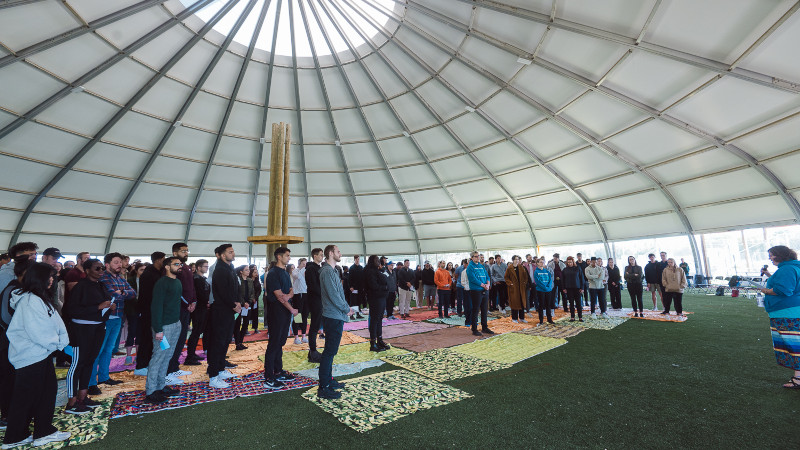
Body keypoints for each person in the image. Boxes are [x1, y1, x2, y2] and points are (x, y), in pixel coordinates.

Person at [3, 262, 71, 448]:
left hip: (38, 354)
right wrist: (57, 344)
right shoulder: (30, 300)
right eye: (48, 276)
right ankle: (19, 436)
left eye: (53, 276)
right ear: (37, 278)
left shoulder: (36, 298)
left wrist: (59, 342)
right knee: (28, 397)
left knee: (42, 394)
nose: (51, 280)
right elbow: (39, 331)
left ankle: (37, 432)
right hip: (32, 355)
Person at [64, 259, 113, 415]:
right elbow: (71, 310)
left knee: (90, 361)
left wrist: (109, 307)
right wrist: (97, 307)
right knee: (78, 363)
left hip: (98, 327)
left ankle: (83, 397)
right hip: (81, 330)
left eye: (103, 268)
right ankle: (71, 403)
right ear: (86, 270)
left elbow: (104, 305)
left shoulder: (101, 285)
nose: (101, 271)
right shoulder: (80, 287)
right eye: (97, 268)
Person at [89, 252, 135, 394]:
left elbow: (133, 293)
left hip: (118, 317)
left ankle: (103, 377)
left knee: (108, 350)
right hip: (105, 318)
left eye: (120, 262)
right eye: (116, 262)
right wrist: (122, 292)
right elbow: (110, 294)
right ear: (107, 264)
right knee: (98, 350)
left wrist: (121, 292)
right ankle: (91, 382)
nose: (119, 265)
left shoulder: (121, 278)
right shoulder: (103, 278)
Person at [758, 245, 800, 388]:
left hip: (787, 314)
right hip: (792, 312)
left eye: (772, 255)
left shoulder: (787, 269)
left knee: (794, 346)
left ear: (780, 255)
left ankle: (798, 378)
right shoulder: (793, 267)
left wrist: (766, 291)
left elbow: (784, 290)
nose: (770, 258)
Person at [144, 257, 184, 404]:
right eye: (176, 264)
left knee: (167, 356)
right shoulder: (162, 283)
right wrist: (158, 329)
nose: (180, 266)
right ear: (167, 267)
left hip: (175, 324)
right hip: (164, 327)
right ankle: (151, 391)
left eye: (181, 264)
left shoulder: (177, 282)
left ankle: (160, 386)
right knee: (158, 357)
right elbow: (156, 306)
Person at [0, 257, 33, 428]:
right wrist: (20, 334)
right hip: (9, 342)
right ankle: (6, 415)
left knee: (18, 379)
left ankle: (19, 410)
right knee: (8, 379)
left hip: (19, 343)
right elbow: (5, 318)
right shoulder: (12, 289)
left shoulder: (25, 289)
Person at [318, 245, 351, 399]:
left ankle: (328, 381)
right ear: (331, 253)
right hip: (333, 316)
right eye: (338, 251)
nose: (340, 253)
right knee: (329, 352)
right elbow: (333, 295)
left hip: (335, 315)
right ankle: (323, 387)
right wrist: (346, 308)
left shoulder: (332, 271)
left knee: (331, 351)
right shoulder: (326, 272)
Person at [263, 247, 297, 390]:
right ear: (279, 256)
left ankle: (278, 371)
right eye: (287, 256)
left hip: (284, 312)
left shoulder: (284, 272)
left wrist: (288, 296)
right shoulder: (272, 274)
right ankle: (269, 377)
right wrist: (292, 309)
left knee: (280, 343)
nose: (289, 258)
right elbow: (278, 296)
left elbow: (291, 291)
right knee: (274, 344)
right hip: (276, 312)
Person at [207, 244, 240, 389]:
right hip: (221, 310)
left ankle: (220, 369)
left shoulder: (229, 268)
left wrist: (238, 302)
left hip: (229, 310)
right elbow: (222, 292)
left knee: (225, 340)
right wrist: (234, 304)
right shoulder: (219, 269)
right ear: (221, 255)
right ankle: (213, 376)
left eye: (233, 251)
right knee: (218, 343)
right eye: (230, 252)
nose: (233, 254)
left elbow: (235, 288)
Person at [166, 243, 196, 386]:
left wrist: (194, 301)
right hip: (178, 308)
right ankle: (168, 370)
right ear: (174, 252)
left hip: (187, 308)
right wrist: (187, 303)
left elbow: (191, 287)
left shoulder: (187, 267)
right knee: (174, 340)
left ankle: (175, 366)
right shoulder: (173, 267)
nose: (186, 253)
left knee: (181, 337)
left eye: (186, 250)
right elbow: (177, 290)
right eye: (183, 251)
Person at [134, 252, 165, 376]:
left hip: (156, 310)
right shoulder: (148, 274)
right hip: (148, 311)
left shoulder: (158, 272)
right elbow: (148, 296)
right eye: (163, 260)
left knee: (154, 340)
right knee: (146, 338)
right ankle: (141, 366)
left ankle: (149, 364)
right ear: (157, 260)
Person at [185, 259, 210, 365]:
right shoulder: (196, 279)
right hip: (199, 308)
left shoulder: (202, 278)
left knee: (198, 331)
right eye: (205, 266)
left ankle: (192, 353)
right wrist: (206, 301)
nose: (207, 268)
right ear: (199, 267)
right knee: (196, 331)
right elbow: (199, 294)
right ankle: (190, 356)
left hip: (203, 307)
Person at [364, 255, 389, 352]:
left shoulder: (376, 270)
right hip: (375, 298)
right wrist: (384, 288)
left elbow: (384, 281)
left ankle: (379, 340)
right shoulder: (370, 271)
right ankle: (373, 343)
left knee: (379, 319)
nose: (379, 261)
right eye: (377, 260)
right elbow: (374, 286)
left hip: (380, 297)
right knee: (375, 320)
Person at [467, 251, 494, 336]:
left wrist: (488, 284)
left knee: (484, 309)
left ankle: (484, 327)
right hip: (476, 290)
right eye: (476, 256)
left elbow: (487, 276)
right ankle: (474, 329)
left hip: (485, 290)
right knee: (476, 310)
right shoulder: (470, 267)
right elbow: (473, 279)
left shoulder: (481, 266)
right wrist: (483, 285)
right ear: (472, 258)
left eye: (478, 256)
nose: (478, 257)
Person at [305, 248, 324, 363]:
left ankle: (312, 351)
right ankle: (313, 351)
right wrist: (323, 293)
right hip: (315, 300)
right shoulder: (311, 268)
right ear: (315, 256)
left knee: (316, 326)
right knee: (314, 327)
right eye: (321, 255)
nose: (322, 256)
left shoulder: (318, 268)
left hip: (319, 299)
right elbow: (313, 286)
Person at [234, 265, 253, 351]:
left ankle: (241, 342)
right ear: (241, 271)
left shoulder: (250, 280)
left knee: (245, 324)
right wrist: (243, 302)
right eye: (246, 270)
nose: (248, 271)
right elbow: (238, 293)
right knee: (237, 325)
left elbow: (253, 292)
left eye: (248, 270)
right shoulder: (238, 280)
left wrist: (248, 302)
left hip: (247, 306)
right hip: (239, 305)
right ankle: (237, 343)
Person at [504, 255, 528, 323]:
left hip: (521, 288)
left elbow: (525, 276)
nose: (517, 260)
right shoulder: (509, 268)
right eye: (516, 259)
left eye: (518, 259)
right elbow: (506, 277)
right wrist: (510, 283)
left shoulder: (521, 267)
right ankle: (514, 318)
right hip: (513, 289)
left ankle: (522, 317)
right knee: (514, 303)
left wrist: (524, 283)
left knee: (522, 303)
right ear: (513, 260)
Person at [561, 256, 585, 322]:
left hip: (577, 288)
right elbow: (562, 280)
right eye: (568, 262)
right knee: (571, 303)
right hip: (569, 289)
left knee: (579, 304)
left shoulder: (578, 268)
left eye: (571, 262)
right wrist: (563, 288)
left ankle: (580, 317)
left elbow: (581, 278)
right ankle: (572, 317)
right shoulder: (565, 270)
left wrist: (582, 288)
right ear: (567, 263)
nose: (570, 263)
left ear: (573, 262)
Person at [291, 259, 308, 345]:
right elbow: (298, 277)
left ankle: (304, 336)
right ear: (299, 264)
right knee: (298, 315)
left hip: (306, 294)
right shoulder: (295, 271)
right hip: (298, 294)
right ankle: (296, 337)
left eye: (306, 263)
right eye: (303, 263)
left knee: (305, 316)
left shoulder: (306, 271)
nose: (305, 265)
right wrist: (303, 269)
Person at [534, 258, 555, 325]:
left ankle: (549, 319)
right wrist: (545, 287)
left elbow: (550, 279)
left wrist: (548, 286)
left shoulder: (546, 271)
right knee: (541, 305)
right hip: (541, 290)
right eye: (540, 262)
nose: (542, 263)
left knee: (548, 305)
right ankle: (541, 320)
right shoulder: (536, 272)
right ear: (537, 263)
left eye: (543, 262)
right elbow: (538, 282)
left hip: (548, 290)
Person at [248, 265, 262, 333]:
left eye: (257, 272)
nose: (256, 274)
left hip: (255, 300)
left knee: (255, 313)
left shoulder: (257, 281)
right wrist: (252, 298)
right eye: (255, 272)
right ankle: (245, 329)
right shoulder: (248, 281)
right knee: (247, 314)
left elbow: (259, 290)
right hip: (249, 300)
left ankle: (255, 327)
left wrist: (255, 297)